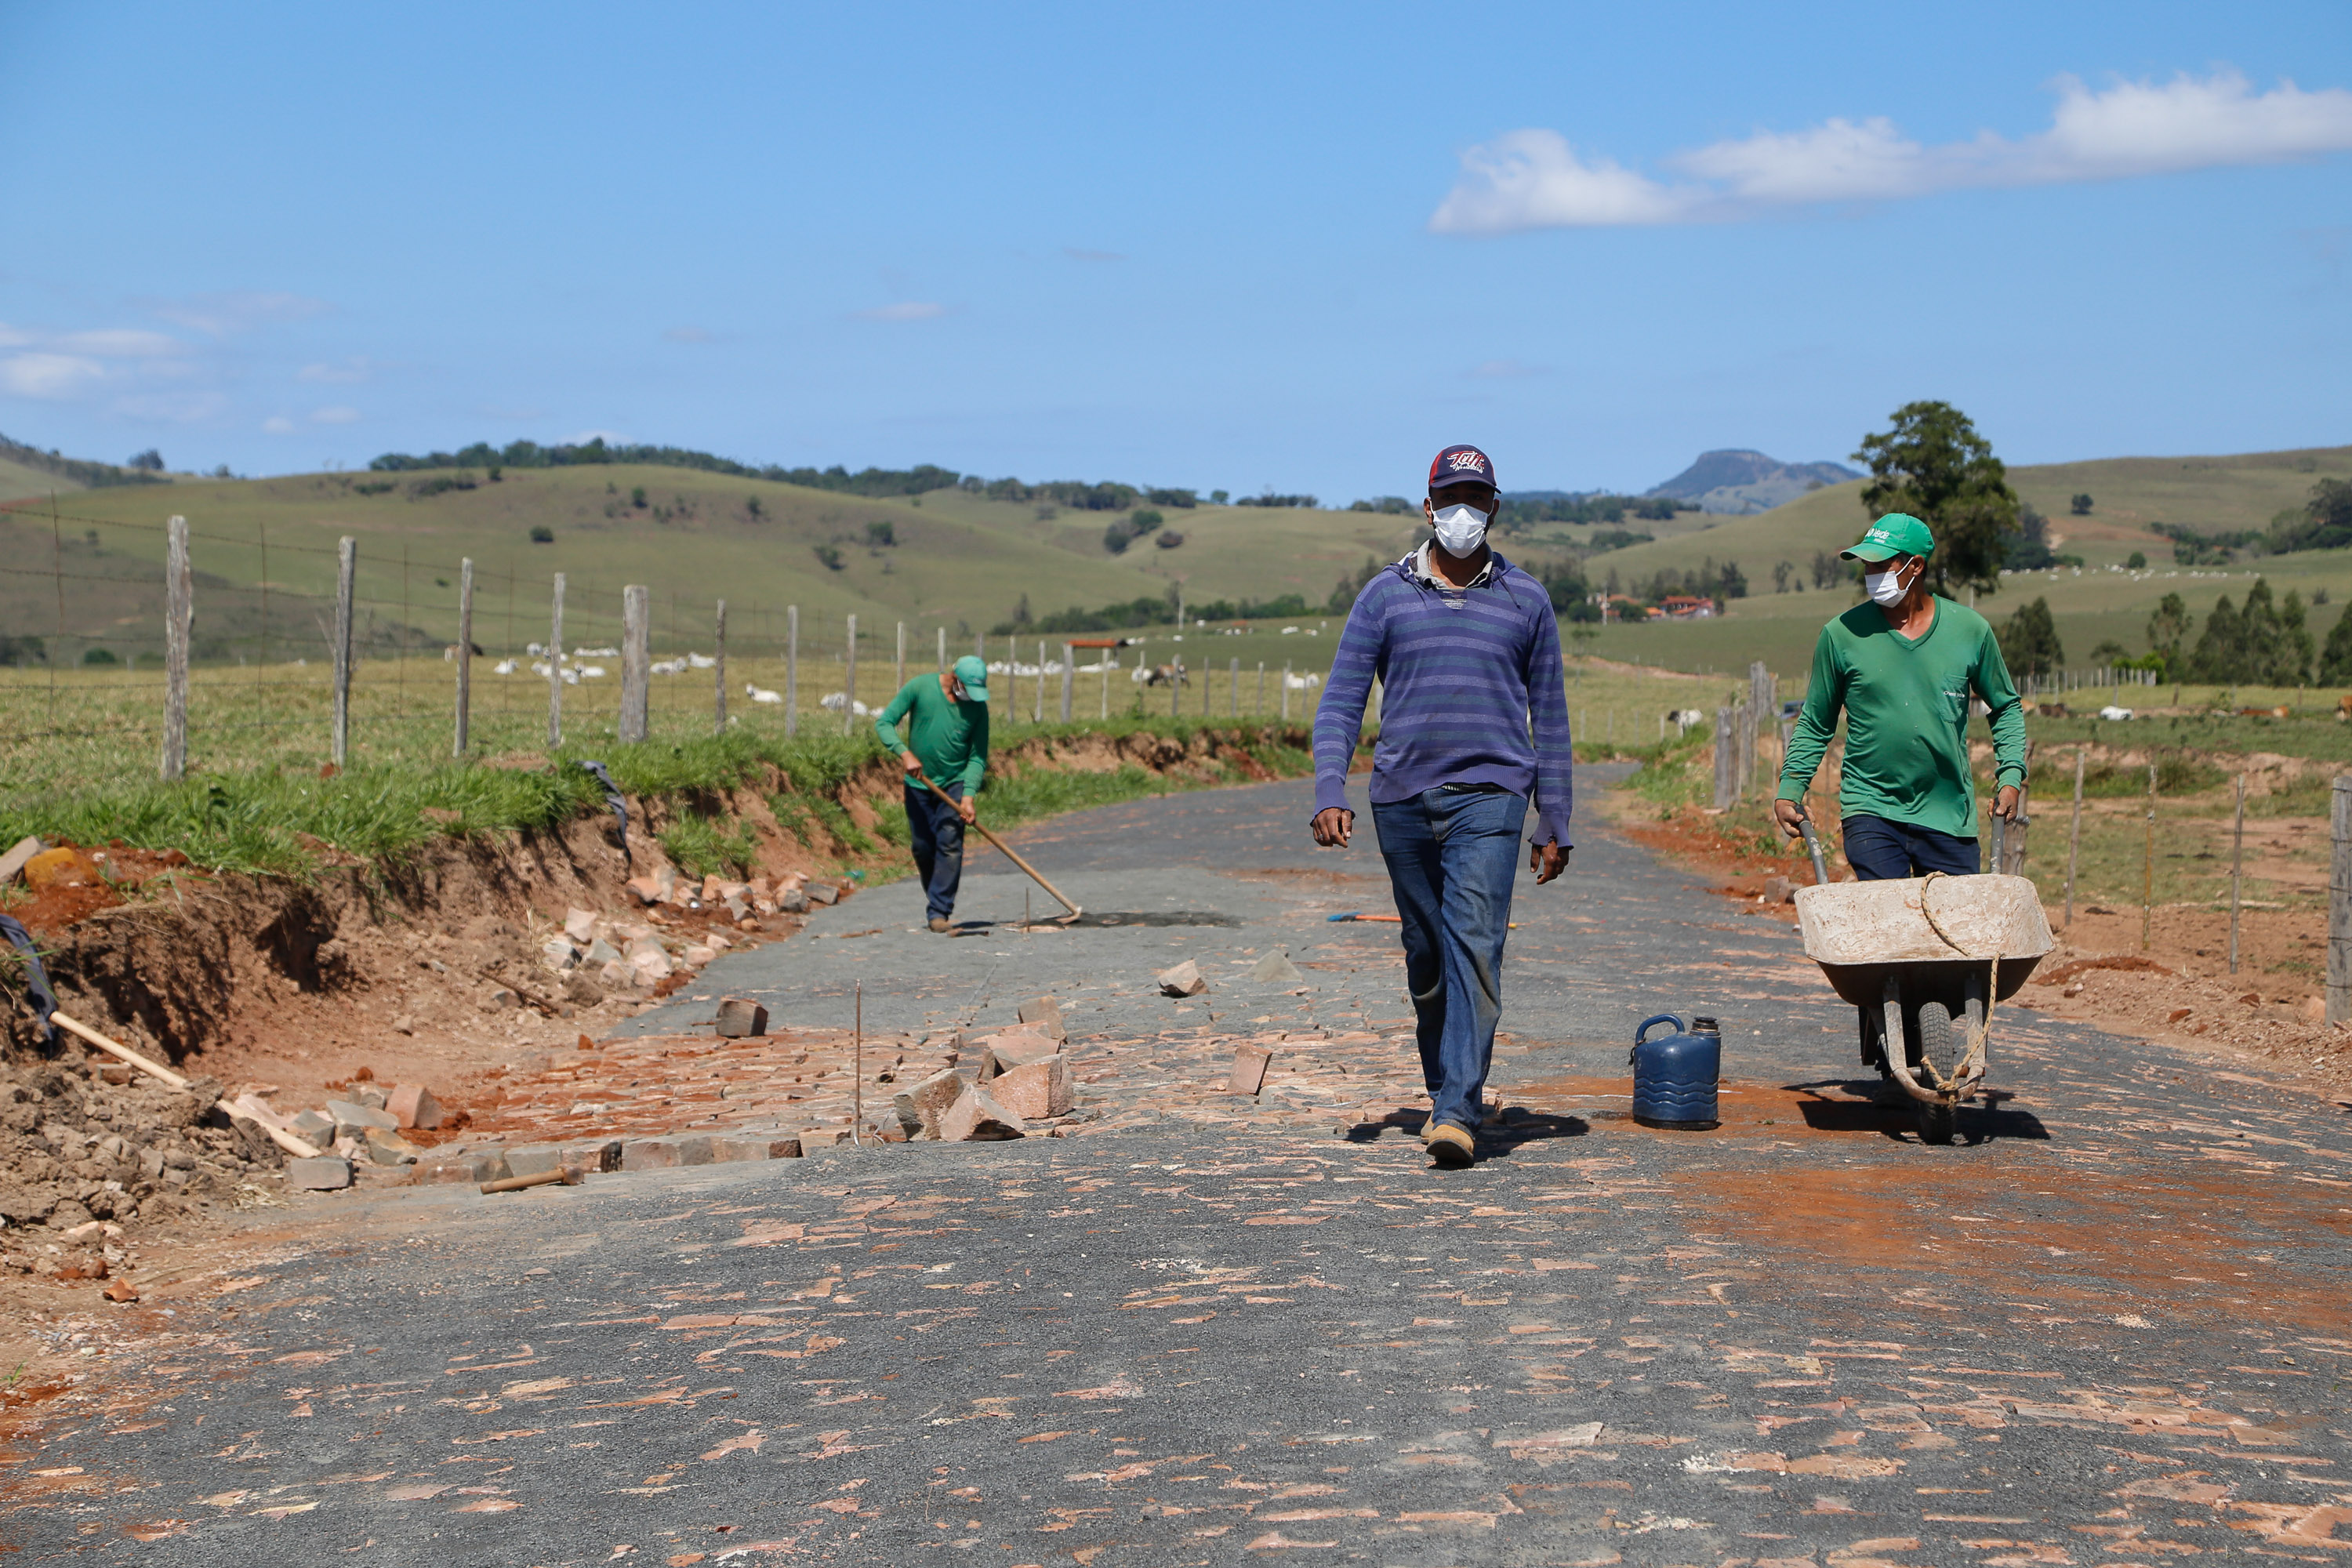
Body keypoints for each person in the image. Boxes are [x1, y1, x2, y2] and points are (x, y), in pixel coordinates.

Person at [1311, 444, 1573, 1170]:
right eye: (1451, 498)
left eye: (1477, 499)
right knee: (1426, 955)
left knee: (1475, 946)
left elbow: (1550, 717)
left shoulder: (1526, 599)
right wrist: (1330, 787)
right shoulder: (1383, 596)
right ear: (1428, 508)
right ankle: (1444, 1091)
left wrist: (1554, 816)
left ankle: (1458, 1108)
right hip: (1401, 798)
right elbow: (1341, 700)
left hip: (1492, 797)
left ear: (1495, 508)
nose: (1464, 511)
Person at [1770, 514, 2026, 1076]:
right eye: (1866, 566)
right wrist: (1791, 786)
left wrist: (2011, 773)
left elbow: (2005, 707)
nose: (1871, 576)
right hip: (1871, 808)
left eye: (1881, 566)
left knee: (1947, 940)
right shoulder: (1842, 635)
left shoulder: (1969, 631)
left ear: (1916, 567)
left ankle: (1923, 1031)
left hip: (1948, 812)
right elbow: (1816, 720)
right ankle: (1890, 1030)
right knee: (1888, 928)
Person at [875, 654, 990, 933]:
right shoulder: (920, 687)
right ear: (955, 678)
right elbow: (884, 723)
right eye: (968, 688)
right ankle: (937, 894)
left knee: (949, 844)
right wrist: (905, 754)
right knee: (922, 847)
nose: (971, 696)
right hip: (919, 784)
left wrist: (968, 797)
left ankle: (939, 910)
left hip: (955, 783)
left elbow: (977, 757)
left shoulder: (978, 709)